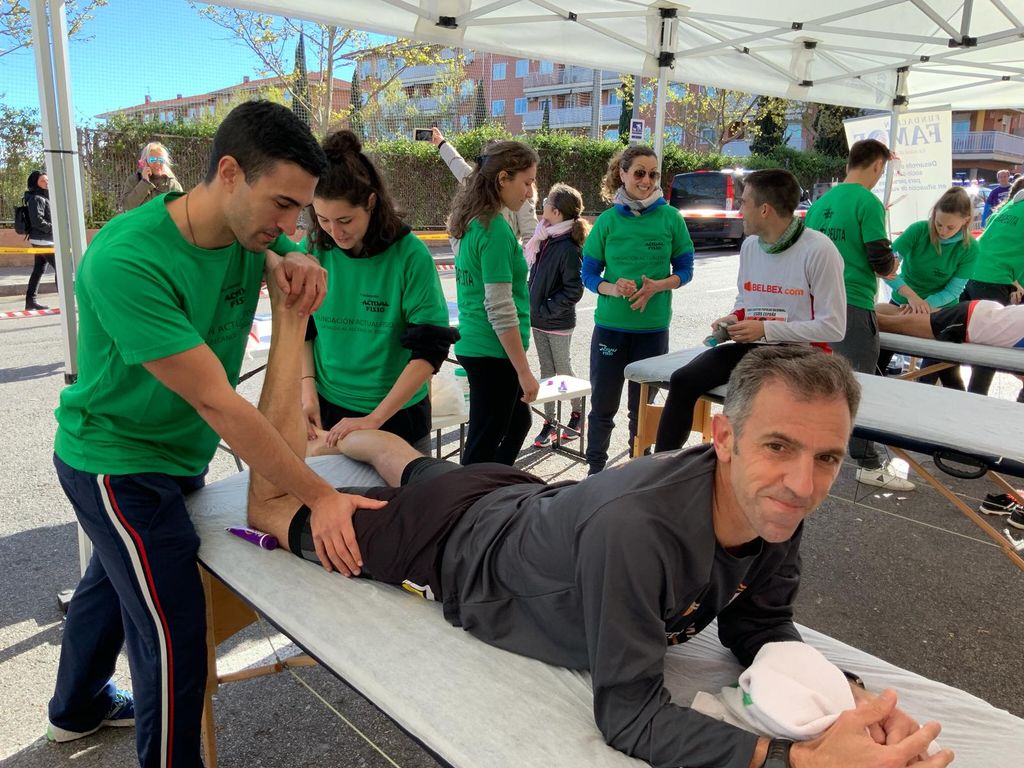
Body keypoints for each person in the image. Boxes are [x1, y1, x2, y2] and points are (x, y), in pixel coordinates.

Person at [245, 317, 954, 768]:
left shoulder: (773, 504)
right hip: (448, 543)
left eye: (827, 457)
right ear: (725, 439)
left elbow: (757, 621)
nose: (803, 484)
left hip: (516, 496)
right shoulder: (640, 530)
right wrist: (797, 761)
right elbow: (631, 715)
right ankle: (328, 424)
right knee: (280, 506)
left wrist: (852, 702)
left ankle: (355, 438)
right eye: (779, 447)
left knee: (420, 467)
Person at [47, 101, 389, 768]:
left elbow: (282, 241)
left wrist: (294, 254)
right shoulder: (126, 261)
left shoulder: (251, 231)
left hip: (178, 454)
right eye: (284, 206)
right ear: (228, 173)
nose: (293, 226)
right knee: (175, 634)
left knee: (113, 582)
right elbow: (223, 409)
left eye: (304, 211)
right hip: (114, 461)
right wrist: (319, 496)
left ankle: (74, 709)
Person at [269, 130, 457, 455]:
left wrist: (374, 418)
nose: (334, 231)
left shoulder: (408, 255)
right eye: (322, 218)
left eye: (345, 220)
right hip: (328, 406)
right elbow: (303, 327)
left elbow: (429, 350)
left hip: (398, 414)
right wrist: (307, 390)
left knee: (402, 502)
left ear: (371, 203)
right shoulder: (315, 247)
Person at [655, 169, 846, 452]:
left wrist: (766, 329)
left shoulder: (819, 250)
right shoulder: (750, 247)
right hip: (756, 346)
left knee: (752, 401)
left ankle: (743, 472)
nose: (739, 209)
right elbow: (746, 300)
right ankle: (663, 468)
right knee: (683, 380)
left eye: (744, 202)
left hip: (803, 355)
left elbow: (834, 327)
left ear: (765, 209)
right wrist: (734, 318)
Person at [806, 138, 913, 491]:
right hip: (852, 303)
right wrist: (897, 266)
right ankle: (867, 461)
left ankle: (814, 449)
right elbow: (880, 260)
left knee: (819, 382)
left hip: (815, 303)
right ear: (877, 166)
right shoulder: (868, 202)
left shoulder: (821, 204)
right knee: (857, 384)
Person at [582, 146, 695, 474]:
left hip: (652, 331)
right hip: (610, 328)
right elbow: (588, 274)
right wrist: (613, 288)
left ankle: (637, 473)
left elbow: (686, 269)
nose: (647, 181)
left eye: (653, 174)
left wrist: (659, 285)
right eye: (639, 173)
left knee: (642, 412)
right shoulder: (606, 221)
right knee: (603, 407)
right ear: (623, 174)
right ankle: (594, 472)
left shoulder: (671, 218)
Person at [448, 140, 539, 465]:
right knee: (483, 444)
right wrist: (524, 371)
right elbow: (500, 310)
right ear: (503, 178)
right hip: (492, 351)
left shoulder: (474, 221)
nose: (529, 192)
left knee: (518, 423)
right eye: (526, 182)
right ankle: (472, 505)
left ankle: (491, 490)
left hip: (479, 345)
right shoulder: (494, 231)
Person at [877, 187, 978, 382]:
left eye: (951, 227)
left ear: (966, 221)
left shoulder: (970, 248)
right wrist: (911, 297)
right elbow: (885, 268)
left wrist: (924, 306)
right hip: (903, 304)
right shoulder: (918, 230)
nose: (943, 231)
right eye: (939, 224)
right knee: (879, 361)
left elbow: (954, 289)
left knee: (937, 372)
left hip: (941, 312)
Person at [525, 182, 587, 447]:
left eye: (548, 201)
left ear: (557, 212)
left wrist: (547, 307)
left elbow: (574, 289)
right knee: (547, 373)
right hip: (539, 320)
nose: (544, 204)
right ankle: (550, 422)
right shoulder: (545, 238)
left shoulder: (568, 247)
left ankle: (577, 414)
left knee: (562, 370)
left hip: (557, 321)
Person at [960, 184, 1024, 395]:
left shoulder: (1011, 207)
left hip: (971, 274)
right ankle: (975, 402)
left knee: (949, 334)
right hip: (992, 280)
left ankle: (932, 387)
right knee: (989, 353)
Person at [431, 127, 537, 243]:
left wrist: (518, 258)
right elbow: (457, 163)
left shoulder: (518, 195)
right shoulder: (477, 181)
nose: (529, 193)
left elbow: (531, 236)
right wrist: (441, 143)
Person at [23, 169, 58, 311]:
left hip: (43, 239)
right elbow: (37, 221)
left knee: (39, 269)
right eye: (43, 181)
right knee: (61, 269)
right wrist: (54, 228)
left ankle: (30, 301)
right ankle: (66, 299)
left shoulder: (42, 197)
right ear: (35, 182)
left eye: (47, 181)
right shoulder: (36, 198)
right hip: (43, 240)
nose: (46, 183)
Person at [120, 141, 183, 211]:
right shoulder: (134, 180)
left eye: (161, 160)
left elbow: (180, 210)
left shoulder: (172, 184)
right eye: (152, 160)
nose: (157, 163)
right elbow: (127, 206)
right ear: (144, 162)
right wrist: (144, 183)